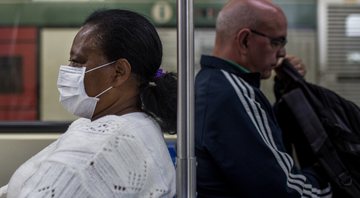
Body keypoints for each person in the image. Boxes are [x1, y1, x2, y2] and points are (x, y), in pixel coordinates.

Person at [2, 9, 176, 198]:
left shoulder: (100, 149)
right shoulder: (136, 125)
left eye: (77, 62)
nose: (68, 71)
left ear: (119, 72)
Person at [195, 0, 332, 197]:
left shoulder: (212, 83)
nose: (282, 53)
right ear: (244, 41)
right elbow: (283, 190)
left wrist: (286, 89)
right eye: (276, 42)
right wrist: (326, 175)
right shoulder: (232, 94)